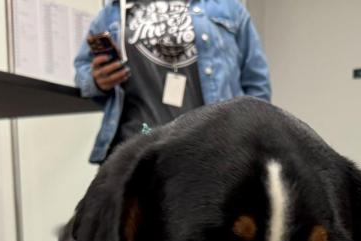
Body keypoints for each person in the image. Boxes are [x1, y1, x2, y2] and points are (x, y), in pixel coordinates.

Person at [74, 0, 270, 163]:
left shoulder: (227, 8)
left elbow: (257, 85)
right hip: (135, 149)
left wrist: (252, 144)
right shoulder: (113, 12)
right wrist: (97, 80)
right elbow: (82, 72)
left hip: (215, 151)